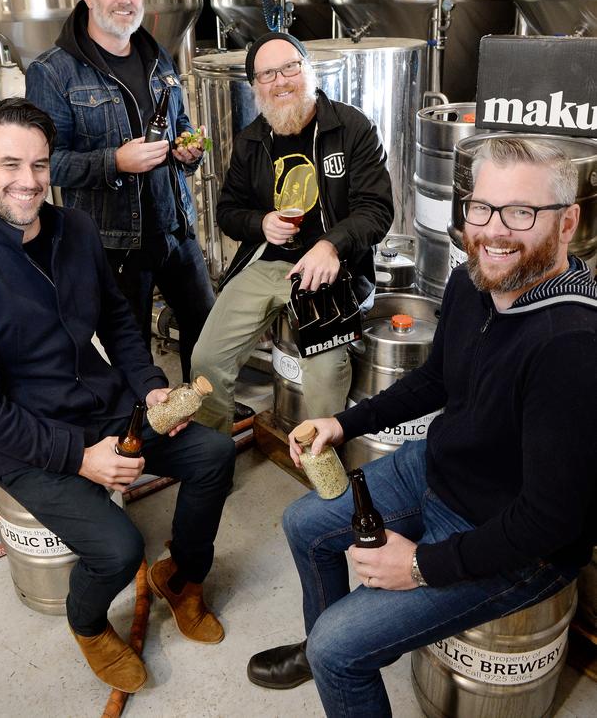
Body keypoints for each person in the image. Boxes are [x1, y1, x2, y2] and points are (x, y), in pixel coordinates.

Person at [246, 136, 597, 716]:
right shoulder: (473, 280)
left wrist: (418, 566)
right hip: (441, 469)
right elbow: (436, 381)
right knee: (305, 523)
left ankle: (331, 655)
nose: (493, 231)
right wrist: (342, 421)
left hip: (515, 540)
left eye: (522, 213)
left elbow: (549, 523)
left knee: (341, 649)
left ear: (567, 224)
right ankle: (324, 649)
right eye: (481, 209)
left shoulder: (572, 347)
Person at [0, 99, 235, 694]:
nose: (28, 182)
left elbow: (119, 323)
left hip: (99, 404)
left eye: (40, 164)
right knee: (118, 547)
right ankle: (86, 625)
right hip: (21, 438)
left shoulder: (75, 228)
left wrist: (152, 388)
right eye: (9, 165)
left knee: (213, 454)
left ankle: (181, 576)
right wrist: (79, 458)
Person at [191, 31, 394, 433]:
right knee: (206, 359)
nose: (281, 81)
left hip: (330, 271)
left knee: (324, 373)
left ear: (308, 70)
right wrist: (260, 223)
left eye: (289, 67)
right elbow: (228, 212)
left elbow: (377, 209)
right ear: (255, 87)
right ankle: (211, 459)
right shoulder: (251, 140)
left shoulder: (352, 128)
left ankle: (325, 471)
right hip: (268, 263)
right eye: (267, 74)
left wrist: (330, 245)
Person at [25, 0, 214, 380]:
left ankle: (205, 422)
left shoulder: (157, 57)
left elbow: (178, 124)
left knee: (207, 339)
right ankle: (146, 436)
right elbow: (45, 165)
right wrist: (115, 161)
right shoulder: (53, 72)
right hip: (113, 246)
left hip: (176, 230)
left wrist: (188, 150)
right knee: (133, 357)